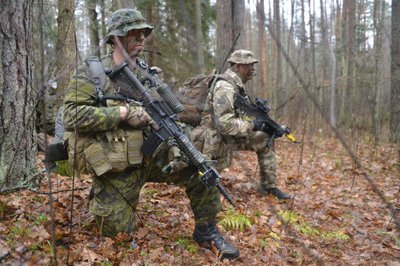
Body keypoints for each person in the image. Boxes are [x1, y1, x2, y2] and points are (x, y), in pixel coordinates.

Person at [62, 8, 239, 260]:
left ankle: (206, 230)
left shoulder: (147, 74)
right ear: (116, 38)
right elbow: (71, 116)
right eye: (133, 33)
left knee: (202, 169)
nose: (141, 39)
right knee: (116, 232)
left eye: (143, 33)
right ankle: (102, 195)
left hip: (152, 156)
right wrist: (122, 113)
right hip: (118, 166)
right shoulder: (93, 73)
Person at [191, 49, 291, 200]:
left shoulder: (237, 86)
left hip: (228, 136)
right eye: (248, 65)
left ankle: (269, 186)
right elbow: (224, 124)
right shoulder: (225, 86)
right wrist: (253, 125)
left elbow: (237, 117)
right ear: (237, 66)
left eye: (253, 65)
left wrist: (264, 124)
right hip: (214, 138)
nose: (252, 69)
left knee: (265, 139)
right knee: (206, 188)